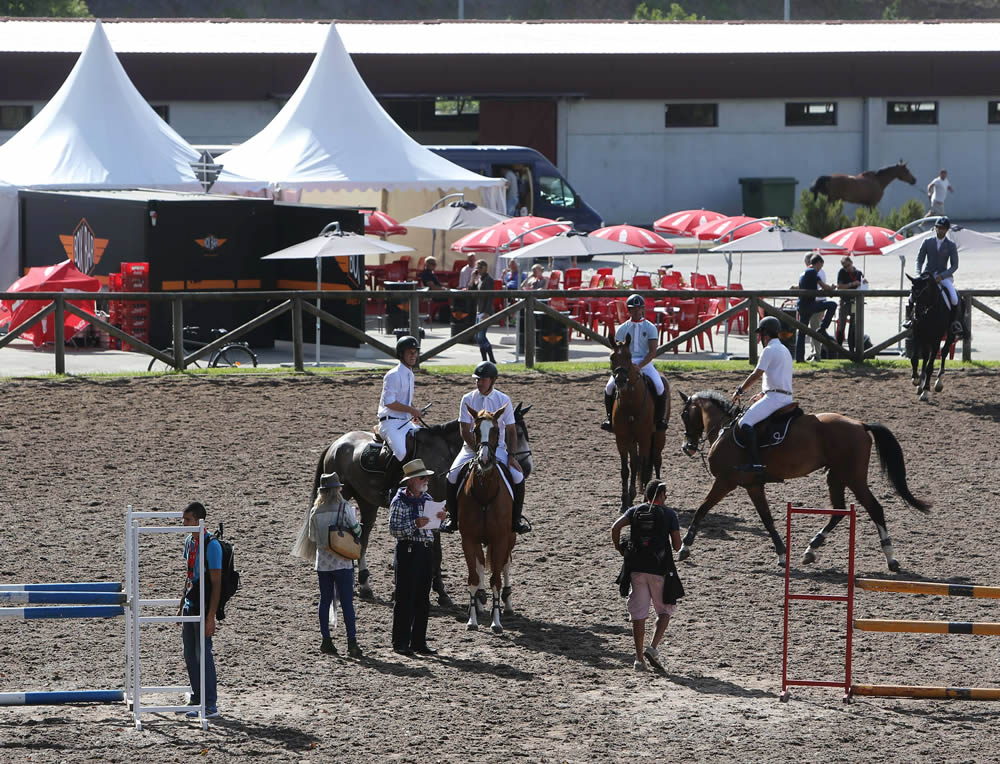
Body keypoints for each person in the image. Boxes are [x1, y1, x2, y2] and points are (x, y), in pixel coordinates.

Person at [440, 361, 531, 535]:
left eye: (483, 379)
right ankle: (452, 518)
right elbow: (464, 430)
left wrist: (511, 456)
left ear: (493, 380)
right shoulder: (468, 399)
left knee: (518, 477)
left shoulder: (503, 399)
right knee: (451, 475)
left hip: (499, 450)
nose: (479, 383)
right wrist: (478, 450)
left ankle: (516, 519)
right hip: (471, 449)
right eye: (477, 379)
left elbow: (511, 430)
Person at [610, 479, 682, 672]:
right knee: (665, 610)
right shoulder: (668, 514)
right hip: (660, 569)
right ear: (660, 495)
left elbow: (615, 528)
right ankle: (653, 647)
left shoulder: (634, 511)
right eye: (665, 495)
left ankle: (639, 659)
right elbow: (676, 546)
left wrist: (619, 548)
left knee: (639, 615)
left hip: (636, 569)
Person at [292, 471, 363, 658]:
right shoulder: (345, 508)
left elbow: (312, 537)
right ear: (338, 489)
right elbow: (357, 531)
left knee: (325, 600)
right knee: (347, 602)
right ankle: (352, 643)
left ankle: (326, 640)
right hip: (343, 561)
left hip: (323, 563)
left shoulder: (315, 511)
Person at [388, 458, 443, 656]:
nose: (426, 480)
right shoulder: (399, 501)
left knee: (422, 598)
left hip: (426, 551)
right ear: (411, 481)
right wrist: (415, 524)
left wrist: (441, 520)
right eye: (422, 478)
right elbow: (394, 529)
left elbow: (434, 527)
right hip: (408, 551)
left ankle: (419, 641)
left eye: (426, 477)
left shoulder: (427, 498)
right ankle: (401, 642)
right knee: (405, 598)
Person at [730, 316, 794, 472]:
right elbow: (778, 377)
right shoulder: (785, 349)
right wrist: (763, 393)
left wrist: (740, 390)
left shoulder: (769, 350)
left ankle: (755, 462)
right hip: (785, 396)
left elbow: (756, 374)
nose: (760, 338)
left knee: (745, 422)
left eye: (760, 335)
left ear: (765, 334)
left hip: (775, 399)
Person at [179, 501, 222, 718]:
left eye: (188, 520)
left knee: (203, 653)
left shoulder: (212, 546)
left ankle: (210, 703)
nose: (184, 524)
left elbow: (216, 584)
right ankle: (197, 696)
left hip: (204, 606)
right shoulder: (189, 541)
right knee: (189, 653)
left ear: (199, 521)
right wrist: (181, 605)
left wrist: (211, 617)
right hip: (190, 603)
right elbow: (188, 576)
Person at [601, 294, 667, 432]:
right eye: (633, 309)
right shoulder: (622, 329)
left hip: (645, 362)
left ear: (643, 309)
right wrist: (626, 365)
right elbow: (618, 350)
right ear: (629, 311)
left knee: (660, 386)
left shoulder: (650, 328)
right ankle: (609, 419)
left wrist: (640, 366)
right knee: (609, 387)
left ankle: (660, 420)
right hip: (626, 363)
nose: (636, 312)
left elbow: (652, 352)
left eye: (639, 309)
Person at [377, 335, 425, 491]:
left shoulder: (410, 373)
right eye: (410, 352)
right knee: (400, 452)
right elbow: (389, 402)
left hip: (405, 421)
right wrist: (412, 410)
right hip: (390, 422)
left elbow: (404, 400)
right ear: (401, 354)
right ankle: (387, 488)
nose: (413, 356)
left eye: (415, 352)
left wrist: (414, 412)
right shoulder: (393, 375)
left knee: (425, 440)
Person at [913, 216, 963, 337]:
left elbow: (954, 265)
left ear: (946, 230)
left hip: (943, 277)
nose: (940, 230)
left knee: (954, 298)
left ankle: (954, 323)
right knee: (912, 296)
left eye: (943, 228)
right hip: (927, 276)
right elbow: (919, 260)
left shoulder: (951, 245)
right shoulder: (927, 242)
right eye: (938, 228)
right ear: (935, 228)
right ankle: (911, 320)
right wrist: (918, 274)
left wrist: (942, 276)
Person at [795, 254, 837, 363]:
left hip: (802, 305)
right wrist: (832, 288)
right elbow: (824, 287)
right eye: (820, 266)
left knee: (802, 332)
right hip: (810, 305)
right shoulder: (813, 272)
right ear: (817, 263)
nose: (820, 269)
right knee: (833, 305)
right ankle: (823, 328)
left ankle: (799, 358)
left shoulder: (803, 273)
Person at [835, 256, 867, 347]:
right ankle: (839, 347)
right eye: (845, 267)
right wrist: (852, 284)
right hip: (844, 301)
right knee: (842, 325)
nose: (847, 268)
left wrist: (864, 282)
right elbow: (840, 286)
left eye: (848, 266)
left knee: (853, 326)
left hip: (855, 302)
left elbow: (863, 285)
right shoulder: (842, 272)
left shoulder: (858, 273)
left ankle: (852, 348)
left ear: (851, 263)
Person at [469, 258, 497, 364]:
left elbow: (490, 297)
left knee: (481, 336)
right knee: (478, 337)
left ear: (486, 268)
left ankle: (491, 359)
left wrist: (486, 312)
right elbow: (471, 291)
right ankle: (485, 359)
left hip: (485, 311)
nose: (478, 270)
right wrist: (472, 278)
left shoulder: (488, 280)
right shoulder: (480, 279)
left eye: (480, 267)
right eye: (477, 267)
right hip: (479, 310)